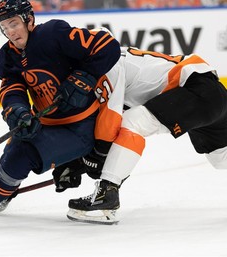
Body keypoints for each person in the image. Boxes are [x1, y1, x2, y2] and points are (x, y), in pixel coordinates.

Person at [0, 0, 121, 226]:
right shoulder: (7, 57)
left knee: (22, 153)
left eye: (14, 24)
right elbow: (12, 90)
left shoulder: (54, 34)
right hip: (48, 122)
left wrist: (84, 77)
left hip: (81, 128)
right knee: (13, 149)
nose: (10, 31)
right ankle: (3, 192)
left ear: (29, 20)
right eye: (4, 26)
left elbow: (107, 45)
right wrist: (17, 111)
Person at [53, 46, 227, 224]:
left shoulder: (106, 65)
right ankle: (106, 192)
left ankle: (106, 196)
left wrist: (90, 160)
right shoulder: (101, 57)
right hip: (208, 91)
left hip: (195, 90)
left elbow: (110, 125)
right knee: (221, 159)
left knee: (132, 122)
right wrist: (77, 162)